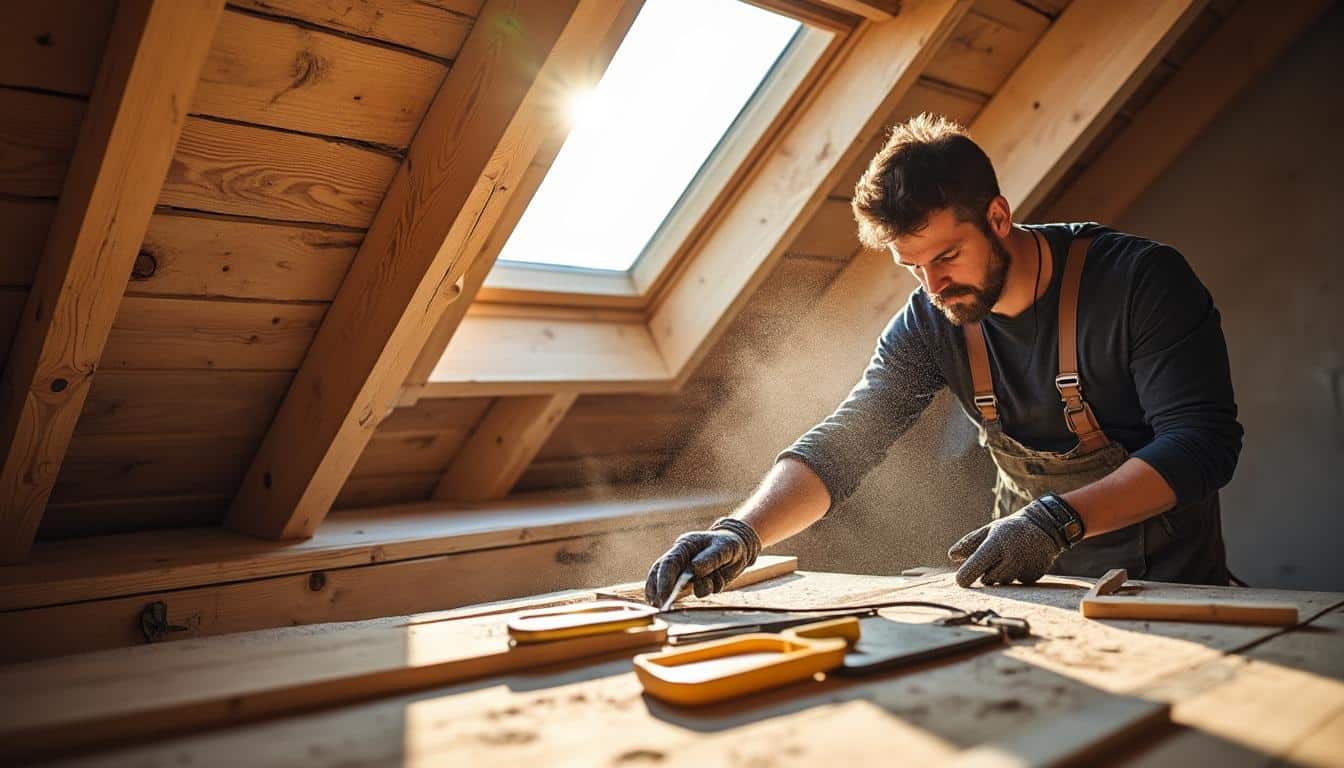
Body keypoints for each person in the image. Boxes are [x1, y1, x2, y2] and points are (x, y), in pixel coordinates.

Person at [644, 114, 1243, 606]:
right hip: (1035, 594)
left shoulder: (1141, 280)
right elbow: (846, 443)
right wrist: (741, 532)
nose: (934, 285)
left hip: (1170, 590)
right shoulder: (932, 319)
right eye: (913, 267)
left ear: (998, 217)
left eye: (949, 256)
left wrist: (1055, 520)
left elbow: (1202, 442)